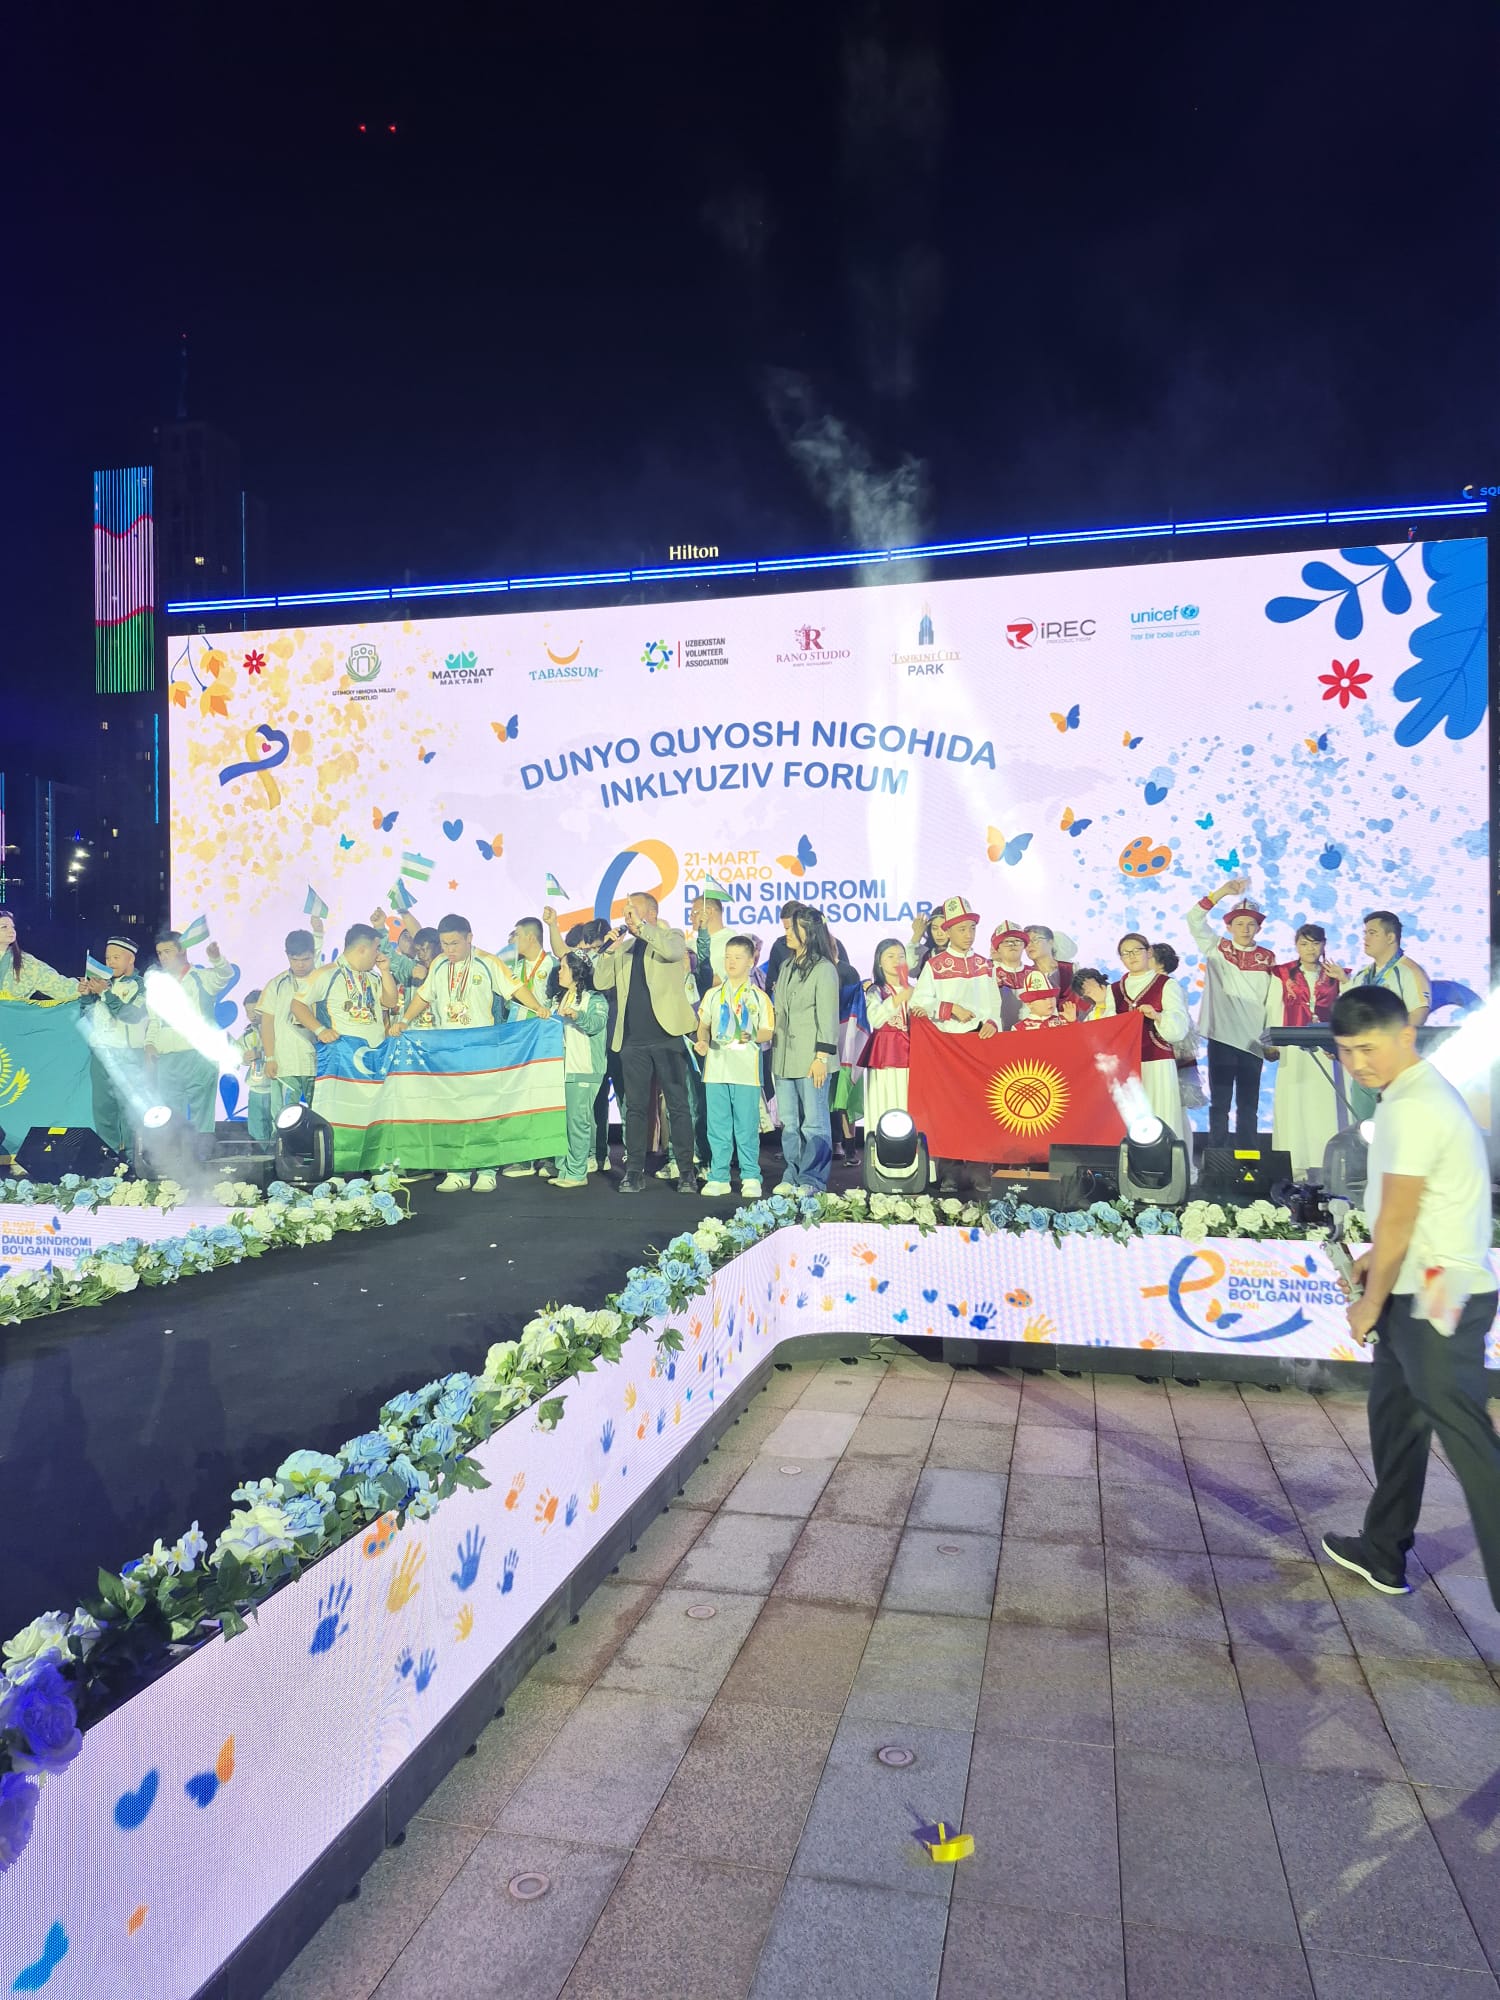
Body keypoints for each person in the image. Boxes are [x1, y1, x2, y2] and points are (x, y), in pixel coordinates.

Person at [1321, 984, 1500, 1610]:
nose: (1357, 1064)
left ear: (1406, 1036)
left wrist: (1368, 1304)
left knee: (1470, 1445)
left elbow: (1398, 1217)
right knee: (1396, 1421)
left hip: (1437, 1297)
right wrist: (1375, 1262)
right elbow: (1420, 1207)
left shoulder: (1412, 1106)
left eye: (1368, 1048)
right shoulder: (1411, 1095)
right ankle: (1383, 1549)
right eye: (1346, 1051)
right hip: (1422, 1287)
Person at [390, 912, 546, 1192]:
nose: (449, 950)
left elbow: (515, 988)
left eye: (454, 943)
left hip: (480, 1048)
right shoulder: (439, 964)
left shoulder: (488, 962)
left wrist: (537, 1007)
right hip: (448, 1050)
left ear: (469, 938)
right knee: (453, 1110)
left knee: (483, 1110)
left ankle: (486, 1170)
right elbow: (423, 996)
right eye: (444, 944)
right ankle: (457, 1170)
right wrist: (404, 1021)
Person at [593, 892, 700, 1194]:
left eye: (634, 912)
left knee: (678, 1106)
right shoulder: (625, 948)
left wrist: (641, 928)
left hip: (667, 1036)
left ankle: (686, 1172)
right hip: (632, 1041)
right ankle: (634, 1172)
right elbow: (601, 982)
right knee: (635, 1108)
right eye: (626, 913)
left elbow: (672, 952)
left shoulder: (672, 937)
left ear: (651, 913)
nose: (628, 918)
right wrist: (609, 952)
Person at [910, 895, 1002, 1194]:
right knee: (948, 1110)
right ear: (947, 931)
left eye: (972, 928)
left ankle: (980, 1170)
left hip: (978, 1044)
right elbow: (918, 1003)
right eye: (962, 929)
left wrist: (992, 1022)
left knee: (980, 1108)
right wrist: (949, 1009)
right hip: (947, 1046)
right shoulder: (935, 965)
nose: (968, 934)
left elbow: (994, 1003)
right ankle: (949, 1172)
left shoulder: (984, 965)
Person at [1186, 877, 1275, 1145]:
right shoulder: (1217, 948)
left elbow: (1272, 1000)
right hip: (1222, 1037)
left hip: (1253, 1041)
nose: (1245, 929)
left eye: (1251, 924)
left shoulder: (1268, 958)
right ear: (1229, 926)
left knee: (1249, 1106)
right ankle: (1217, 1157)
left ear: (1259, 928)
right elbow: (1193, 919)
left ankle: (1248, 1157)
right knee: (1220, 1104)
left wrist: (1272, 1040)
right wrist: (1223, 891)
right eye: (1239, 923)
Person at [1261, 922, 1351, 1177]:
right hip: (1294, 1048)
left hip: (1327, 1049)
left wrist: (1344, 981)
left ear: (1323, 945)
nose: (1310, 949)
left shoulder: (1336, 975)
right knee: (1295, 1102)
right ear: (1296, 946)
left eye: (1315, 944)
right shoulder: (1282, 973)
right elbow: (1274, 1007)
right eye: (1304, 944)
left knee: (1325, 1104)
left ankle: (1330, 1164)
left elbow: (1349, 1006)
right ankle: (1295, 1166)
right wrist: (1272, 1042)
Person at [695, 933, 774, 1197]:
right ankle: (719, 1176)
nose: (731, 962)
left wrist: (752, 1035)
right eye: (728, 957)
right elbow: (703, 1025)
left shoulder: (759, 997)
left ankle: (750, 1175)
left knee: (746, 1126)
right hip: (716, 1069)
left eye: (738, 957)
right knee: (717, 1126)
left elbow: (768, 1031)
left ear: (751, 961)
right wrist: (702, 1041)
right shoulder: (713, 995)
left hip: (746, 1071)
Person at [770, 906, 841, 1193]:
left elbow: (828, 1016)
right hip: (784, 1057)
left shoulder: (824, 969)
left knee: (814, 1122)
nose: (786, 933)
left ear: (808, 933)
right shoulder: (786, 966)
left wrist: (821, 1057)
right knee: (789, 1123)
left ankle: (813, 1179)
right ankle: (793, 1173)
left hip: (812, 1057)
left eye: (792, 929)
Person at [144, 930, 238, 1137]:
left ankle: (201, 1153)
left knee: (201, 1114)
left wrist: (216, 959)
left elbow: (225, 975)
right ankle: (175, 1154)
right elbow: (154, 1021)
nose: (163, 957)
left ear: (182, 951)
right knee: (170, 1113)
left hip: (199, 1056)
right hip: (168, 1057)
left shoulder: (201, 977)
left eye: (168, 951)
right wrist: (149, 1044)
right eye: (160, 953)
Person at [1348, 911, 1432, 1122]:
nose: (1365, 938)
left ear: (1391, 937)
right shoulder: (1361, 976)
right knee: (1363, 1129)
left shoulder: (1409, 971)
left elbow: (1419, 1012)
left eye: (1372, 933)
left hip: (1394, 1066)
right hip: (1363, 1066)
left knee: (1397, 1127)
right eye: (1365, 933)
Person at [1113, 933, 1190, 1140]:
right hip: (1127, 1066)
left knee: (1161, 1115)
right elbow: (1108, 1027)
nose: (1131, 956)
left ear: (1148, 953)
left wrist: (1157, 1016)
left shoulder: (1166, 984)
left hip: (1157, 1062)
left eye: (1136, 950)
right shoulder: (1115, 990)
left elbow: (1179, 1026)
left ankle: (1166, 1159)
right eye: (1125, 953)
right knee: (1128, 1121)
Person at [79, 935, 147, 1157]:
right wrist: (86, 997)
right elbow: (89, 1016)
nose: (110, 962)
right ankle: (108, 1159)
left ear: (131, 959)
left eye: (116, 958)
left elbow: (130, 1015)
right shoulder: (104, 983)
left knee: (129, 1110)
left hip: (128, 1055)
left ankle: (133, 1159)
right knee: (103, 1109)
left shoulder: (141, 985)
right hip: (102, 1054)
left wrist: (104, 993)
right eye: (108, 958)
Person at [548, 950, 609, 1188]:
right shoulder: (560, 998)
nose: (559, 972)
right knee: (561, 1122)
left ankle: (577, 1172)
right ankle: (564, 1169)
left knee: (577, 1122)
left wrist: (577, 1015)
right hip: (561, 1070)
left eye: (563, 967)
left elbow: (596, 1024)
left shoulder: (595, 999)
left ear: (576, 971)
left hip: (584, 1068)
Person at [294, 923, 399, 1055]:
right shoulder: (326, 974)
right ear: (362, 949)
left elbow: (390, 1003)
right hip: (342, 1058)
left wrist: (385, 971)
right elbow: (297, 1004)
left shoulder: (373, 976)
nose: (379, 954)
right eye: (376, 948)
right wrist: (320, 1030)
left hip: (374, 1055)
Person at [258, 929, 321, 1125]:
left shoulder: (325, 981)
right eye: (295, 960)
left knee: (321, 1116)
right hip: (286, 1062)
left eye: (306, 959)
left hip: (319, 1062)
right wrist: (270, 1057)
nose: (300, 965)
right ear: (287, 956)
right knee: (284, 1118)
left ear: (314, 954)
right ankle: (282, 1146)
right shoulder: (276, 984)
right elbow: (267, 1023)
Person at [860, 938, 912, 1134]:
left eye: (901, 956)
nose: (897, 960)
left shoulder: (913, 990)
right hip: (885, 1053)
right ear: (879, 962)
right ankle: (880, 1147)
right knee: (883, 1101)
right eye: (890, 956)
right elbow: (875, 1019)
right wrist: (897, 1000)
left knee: (908, 1103)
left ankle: (910, 1149)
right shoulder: (876, 990)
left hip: (910, 1053)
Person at [0, 910, 80, 1002]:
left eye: (13, 927)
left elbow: (55, 983)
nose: (12, 931)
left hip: (11, 1010)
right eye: (4, 927)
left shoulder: (27, 962)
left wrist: (80, 988)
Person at [236, 990, 274, 1143]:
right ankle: (261, 1152)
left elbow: (284, 1052)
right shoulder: (247, 1035)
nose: (251, 1015)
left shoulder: (278, 1030)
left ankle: (277, 1153)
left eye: (255, 1011)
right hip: (256, 1088)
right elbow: (238, 1054)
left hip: (275, 1087)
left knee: (277, 1124)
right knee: (257, 1127)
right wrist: (243, 1058)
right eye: (248, 1012)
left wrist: (262, 1054)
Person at [1025, 924, 1076, 1008]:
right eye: (1026, 942)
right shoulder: (1026, 976)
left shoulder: (1072, 969)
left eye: (1035, 939)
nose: (1030, 945)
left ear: (1050, 942)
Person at [1013, 965, 1075, 1030]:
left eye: (1051, 997)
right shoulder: (1018, 1029)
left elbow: (1077, 1036)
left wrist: (1072, 1022)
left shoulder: (1063, 1021)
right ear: (1029, 1004)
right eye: (1043, 999)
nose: (1049, 1001)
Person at [764, 899, 806, 992]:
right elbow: (771, 984)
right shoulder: (779, 946)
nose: (788, 933)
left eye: (792, 928)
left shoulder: (827, 944)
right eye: (786, 928)